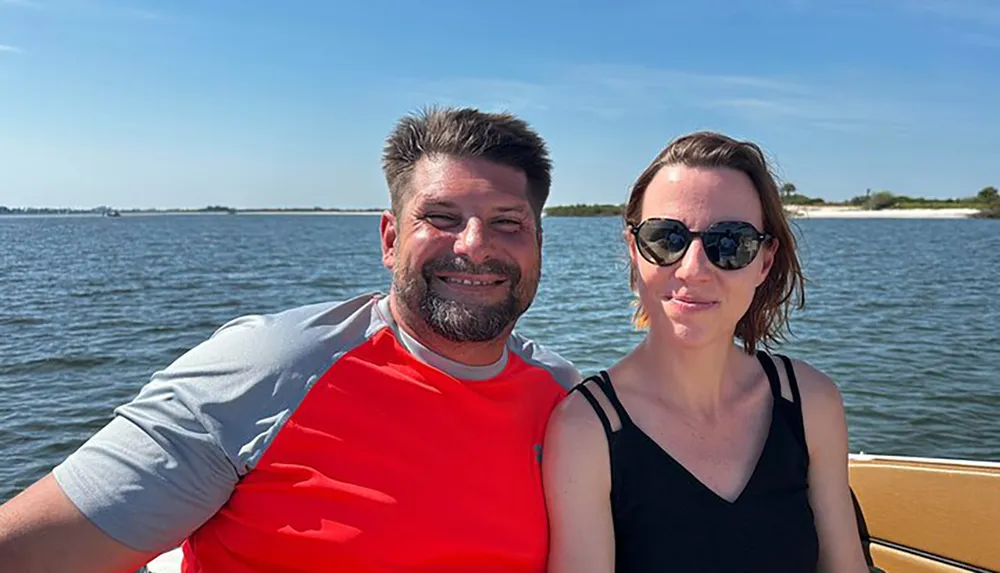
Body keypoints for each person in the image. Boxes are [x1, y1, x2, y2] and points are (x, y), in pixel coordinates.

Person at [0, 106, 580, 573]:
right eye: (442, 217)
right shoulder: (269, 369)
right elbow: (30, 552)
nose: (475, 245)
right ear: (388, 238)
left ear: (538, 245)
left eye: (508, 222)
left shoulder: (567, 402)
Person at [542, 132, 870, 572]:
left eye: (730, 243)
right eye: (666, 239)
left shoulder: (811, 402)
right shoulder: (587, 428)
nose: (694, 268)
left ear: (764, 262)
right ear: (634, 252)